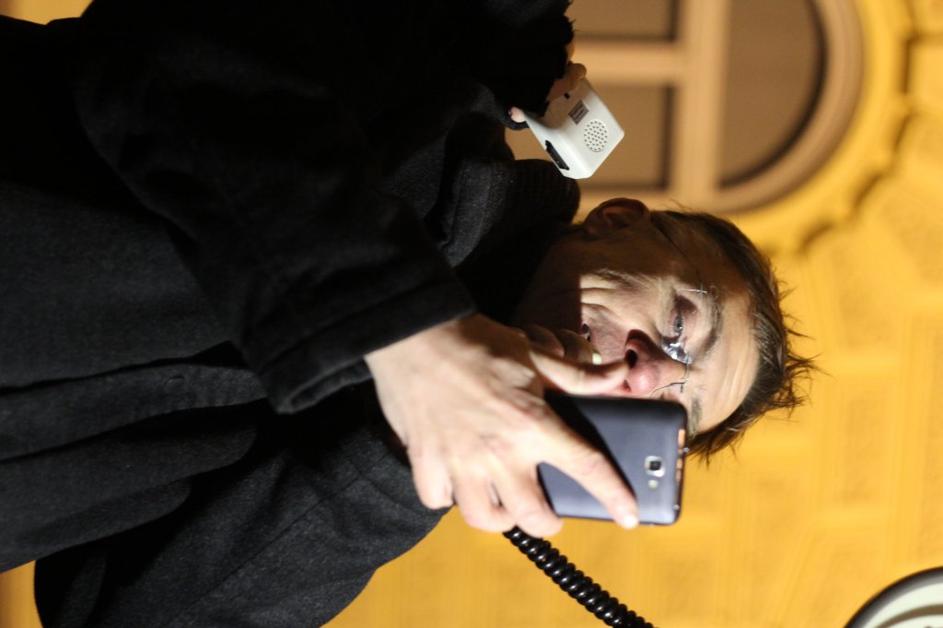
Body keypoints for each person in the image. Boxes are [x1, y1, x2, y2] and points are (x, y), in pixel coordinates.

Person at [0, 1, 810, 625]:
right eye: (680, 327)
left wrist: (392, 462)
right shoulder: (436, 108)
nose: (650, 370)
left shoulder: (384, 471)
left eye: (671, 406)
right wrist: (411, 333)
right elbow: (166, 56)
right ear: (619, 222)